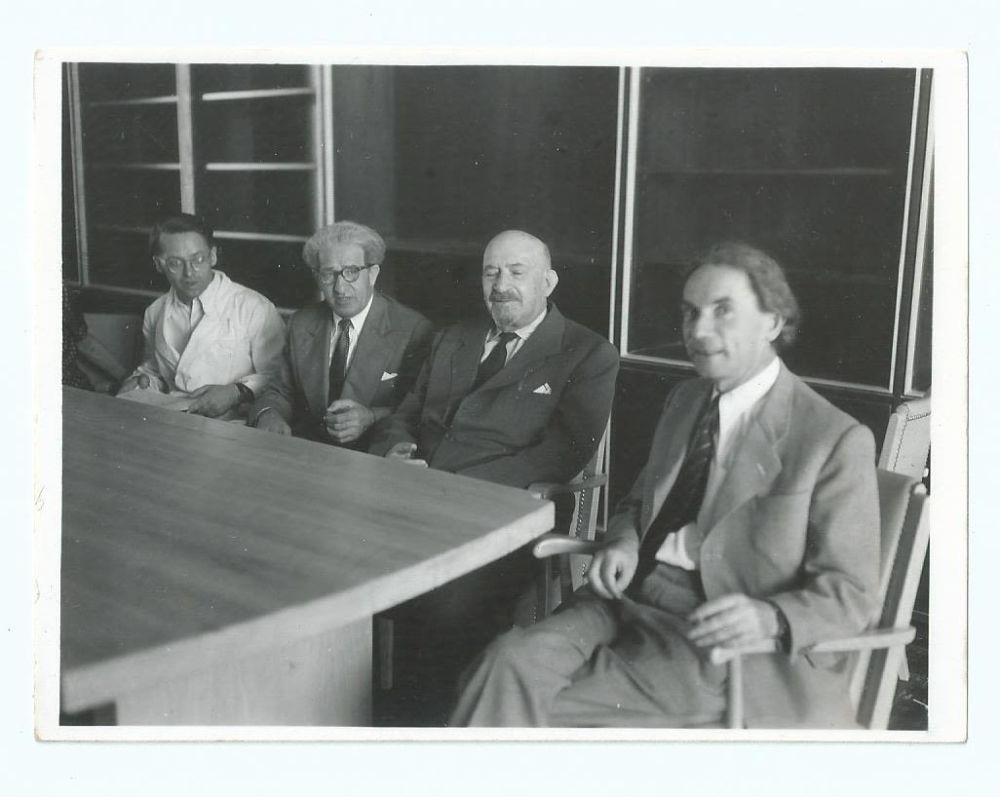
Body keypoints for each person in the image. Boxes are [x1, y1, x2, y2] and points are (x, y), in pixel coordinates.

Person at [451, 241, 881, 729]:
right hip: (625, 600)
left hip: (713, 641)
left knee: (530, 713)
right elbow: (638, 503)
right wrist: (623, 541)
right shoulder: (686, 400)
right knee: (501, 665)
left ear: (773, 322)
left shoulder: (831, 438)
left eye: (723, 311)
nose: (699, 330)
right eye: (691, 312)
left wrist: (770, 617)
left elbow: (853, 594)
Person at [369, 229, 619, 724]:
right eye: (491, 273)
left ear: (548, 282)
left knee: (442, 606)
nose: (501, 285)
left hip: (506, 514)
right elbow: (406, 413)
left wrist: (455, 487)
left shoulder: (586, 352)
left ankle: (438, 725)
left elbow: (562, 453)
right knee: (346, 577)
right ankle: (370, 711)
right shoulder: (453, 337)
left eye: (517, 272)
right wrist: (392, 448)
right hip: (413, 500)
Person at [250, 221, 432, 449]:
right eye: (328, 274)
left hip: (374, 454)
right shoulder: (301, 322)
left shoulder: (413, 329)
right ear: (317, 277)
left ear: (372, 274)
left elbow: (420, 409)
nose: (340, 288)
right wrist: (268, 414)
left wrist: (371, 417)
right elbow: (280, 390)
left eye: (351, 272)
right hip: (307, 450)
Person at [116, 214, 285, 419]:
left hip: (234, 422)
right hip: (173, 417)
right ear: (158, 264)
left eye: (198, 259)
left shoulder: (254, 307)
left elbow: (280, 377)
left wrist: (237, 391)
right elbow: (154, 369)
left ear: (212, 256)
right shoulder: (155, 311)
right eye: (175, 263)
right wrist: (142, 381)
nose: (189, 273)